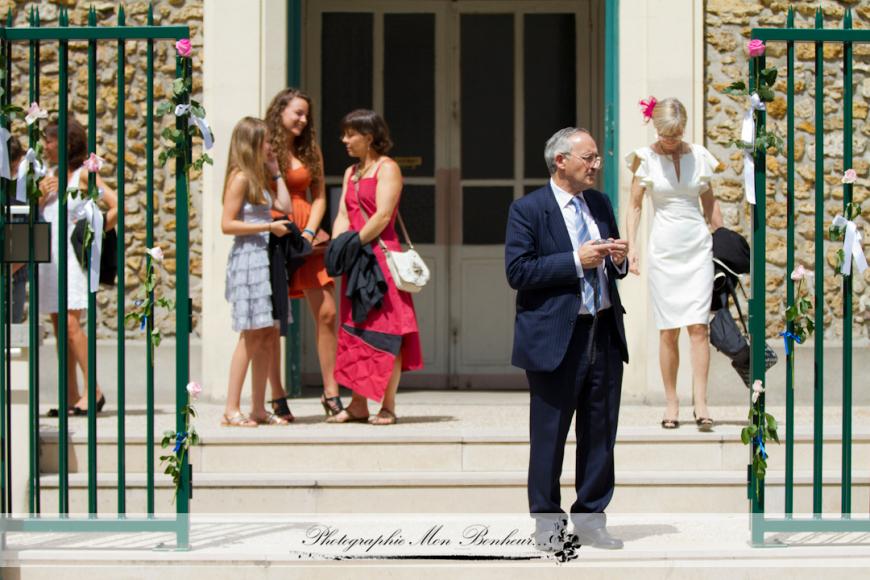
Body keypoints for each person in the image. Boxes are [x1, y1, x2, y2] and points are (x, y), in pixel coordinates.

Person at [505, 127, 628, 551]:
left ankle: (591, 520)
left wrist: (618, 260)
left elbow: (611, 266)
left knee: (600, 434)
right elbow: (518, 271)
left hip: (604, 331)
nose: (596, 165)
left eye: (597, 157)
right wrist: (576, 260)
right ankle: (547, 525)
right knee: (549, 436)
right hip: (555, 338)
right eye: (588, 157)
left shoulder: (600, 203)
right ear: (561, 161)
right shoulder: (528, 210)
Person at [625, 97, 723, 431]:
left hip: (697, 248)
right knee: (668, 329)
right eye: (666, 134)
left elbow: (710, 205)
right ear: (655, 127)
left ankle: (701, 401)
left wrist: (723, 243)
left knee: (699, 327)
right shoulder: (645, 159)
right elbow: (635, 206)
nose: (670, 140)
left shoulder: (699, 156)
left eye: (676, 134)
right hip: (664, 250)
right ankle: (671, 401)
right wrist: (632, 247)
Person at [327, 109, 422, 425]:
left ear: (368, 137)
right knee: (356, 331)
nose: (344, 140)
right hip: (356, 260)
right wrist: (337, 247)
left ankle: (388, 405)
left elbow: (382, 215)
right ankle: (357, 404)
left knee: (387, 332)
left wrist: (354, 242)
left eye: (350, 134)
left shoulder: (388, 168)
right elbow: (343, 213)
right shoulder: (350, 172)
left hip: (381, 260)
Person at [265, 88, 341, 420]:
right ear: (280, 110)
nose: (303, 119)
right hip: (276, 231)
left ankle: (331, 391)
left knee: (327, 313)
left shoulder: (311, 149)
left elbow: (320, 195)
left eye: (306, 114)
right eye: (298, 112)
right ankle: (277, 395)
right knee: (272, 318)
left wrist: (310, 231)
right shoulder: (264, 146)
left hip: (307, 233)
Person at [39, 118, 118, 416]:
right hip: (51, 259)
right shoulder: (50, 175)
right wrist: (41, 196)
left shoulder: (83, 175)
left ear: (66, 143)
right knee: (60, 328)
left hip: (72, 258)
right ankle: (71, 396)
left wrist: (94, 231)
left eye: (49, 140)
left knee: (72, 326)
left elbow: (117, 204)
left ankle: (93, 390)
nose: (45, 146)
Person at [221, 116, 294, 427]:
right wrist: (266, 227)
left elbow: (286, 207)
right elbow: (227, 224)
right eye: (265, 141)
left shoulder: (259, 177)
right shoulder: (239, 178)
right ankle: (231, 408)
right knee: (250, 334)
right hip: (249, 259)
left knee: (266, 333)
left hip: (265, 257)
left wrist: (276, 172)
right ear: (251, 143)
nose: (270, 146)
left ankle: (259, 408)